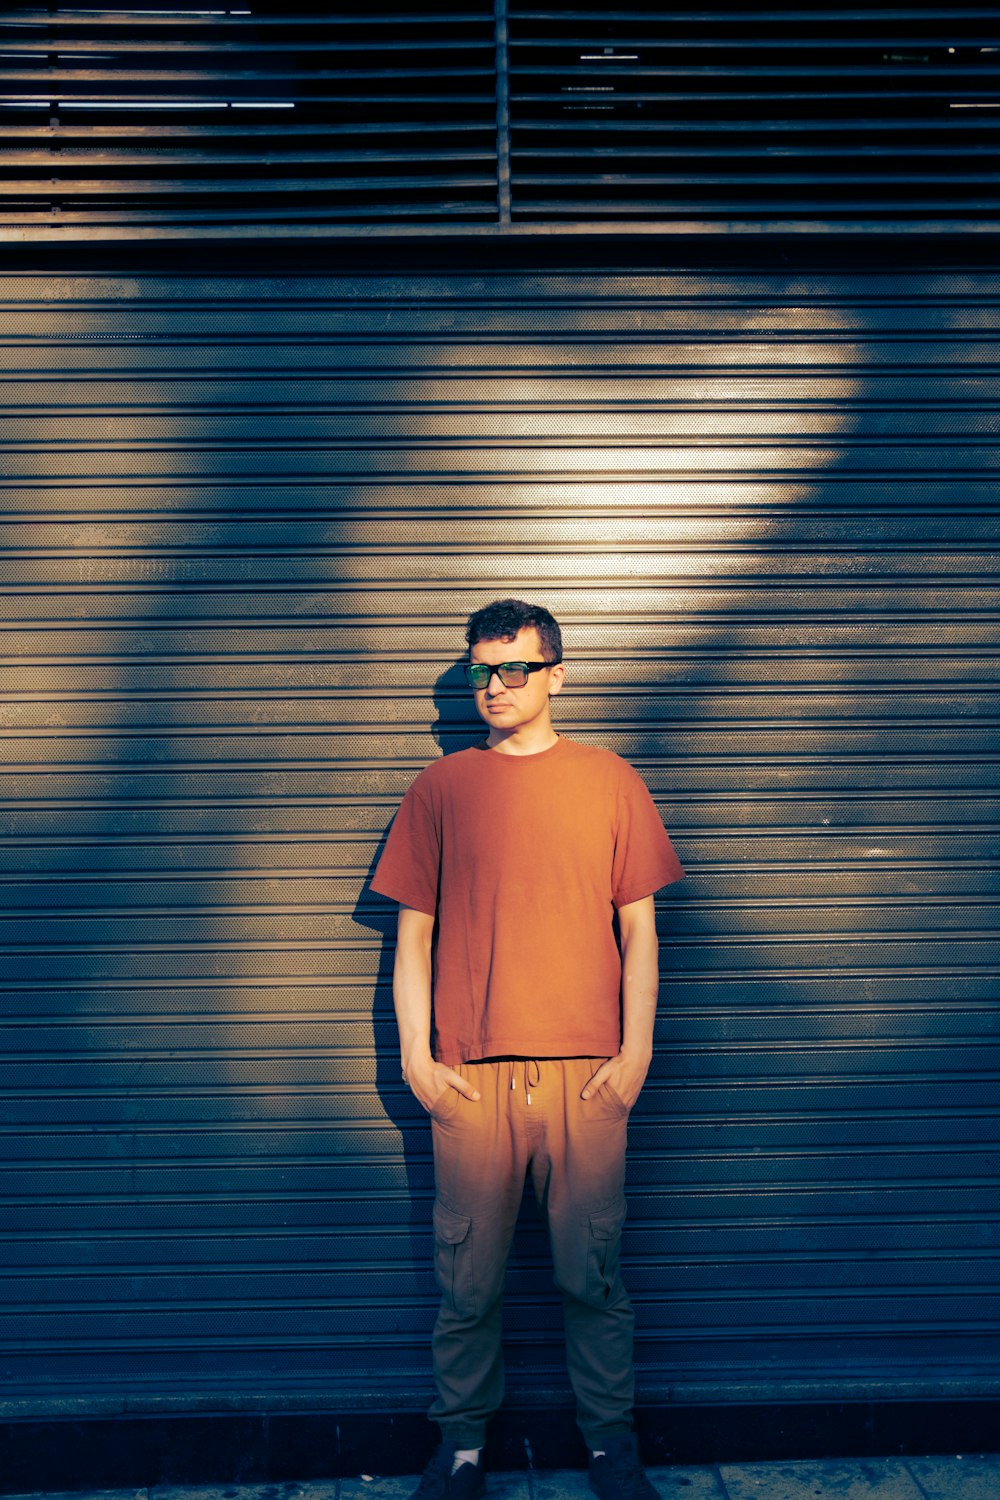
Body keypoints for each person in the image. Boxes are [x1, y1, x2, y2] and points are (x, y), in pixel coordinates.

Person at [371, 599, 684, 1500]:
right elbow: (414, 939)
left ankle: (610, 1450)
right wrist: (417, 1066)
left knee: (594, 1279)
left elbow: (642, 934)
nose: (495, 687)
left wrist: (634, 1059)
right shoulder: (442, 790)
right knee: (467, 1284)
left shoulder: (610, 781)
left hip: (588, 1078)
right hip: (470, 1080)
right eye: (481, 671)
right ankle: (461, 1451)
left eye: (514, 669)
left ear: (556, 675)